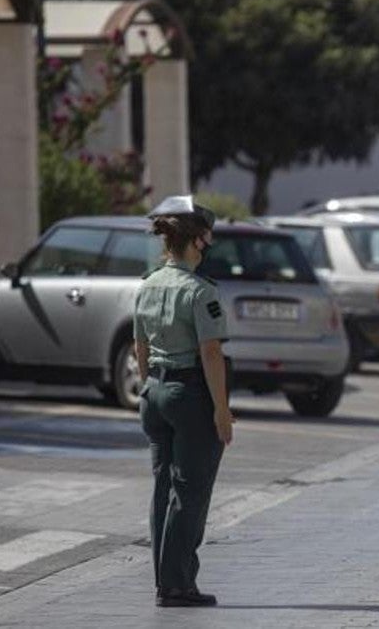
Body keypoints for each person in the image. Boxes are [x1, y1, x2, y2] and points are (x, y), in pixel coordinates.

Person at [133, 195, 234, 608]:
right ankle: (177, 585)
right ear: (196, 243)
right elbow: (211, 354)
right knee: (189, 494)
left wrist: (148, 385)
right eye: (206, 240)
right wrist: (222, 410)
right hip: (190, 394)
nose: (207, 247)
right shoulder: (200, 292)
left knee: (163, 490)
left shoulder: (148, 284)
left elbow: (139, 344)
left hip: (154, 392)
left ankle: (165, 579)